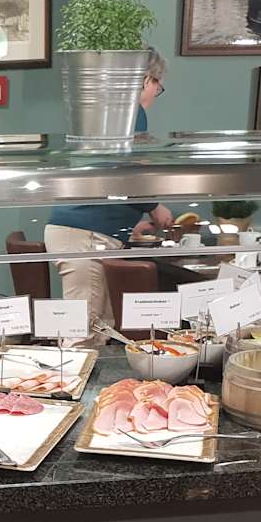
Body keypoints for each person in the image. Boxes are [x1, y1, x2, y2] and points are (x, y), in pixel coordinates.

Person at [43, 48, 171, 343]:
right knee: (82, 333)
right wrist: (155, 207)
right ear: (145, 79)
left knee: (99, 328)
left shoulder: (106, 110)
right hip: (85, 236)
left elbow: (109, 172)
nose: (155, 93)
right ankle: (70, 376)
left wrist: (127, 221)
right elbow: (130, 171)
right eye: (157, 85)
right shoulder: (131, 111)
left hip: (79, 231)